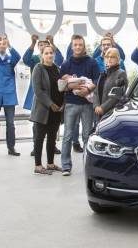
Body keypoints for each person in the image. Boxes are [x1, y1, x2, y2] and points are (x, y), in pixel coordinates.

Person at [59, 34, 100, 176]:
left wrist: (87, 89)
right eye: (75, 45)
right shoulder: (66, 64)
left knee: (87, 136)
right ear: (72, 46)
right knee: (68, 136)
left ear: (84, 46)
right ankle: (65, 166)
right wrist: (73, 85)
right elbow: (61, 85)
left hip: (87, 105)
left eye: (80, 45)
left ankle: (88, 166)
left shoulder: (92, 62)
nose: (77, 47)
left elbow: (96, 80)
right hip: (71, 103)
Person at [22, 34, 63, 156]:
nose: (42, 46)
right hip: (38, 96)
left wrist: (53, 43)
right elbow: (25, 59)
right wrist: (32, 43)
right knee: (38, 123)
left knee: (52, 124)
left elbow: (60, 59)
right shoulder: (35, 59)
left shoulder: (54, 63)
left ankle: (52, 145)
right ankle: (36, 147)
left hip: (53, 96)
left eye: (46, 44)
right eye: (40, 44)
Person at [29, 45, 64, 175]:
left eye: (51, 53)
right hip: (43, 110)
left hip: (56, 110)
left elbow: (61, 87)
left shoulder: (57, 69)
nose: (49, 55)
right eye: (46, 53)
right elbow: (38, 91)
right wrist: (50, 104)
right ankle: (38, 166)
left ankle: (50, 164)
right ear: (42, 55)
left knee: (52, 139)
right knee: (39, 138)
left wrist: (62, 104)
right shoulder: (38, 68)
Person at [94, 48, 129, 123]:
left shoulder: (121, 74)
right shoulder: (103, 74)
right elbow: (96, 92)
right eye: (107, 57)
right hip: (99, 114)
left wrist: (102, 108)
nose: (109, 59)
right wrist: (96, 106)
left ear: (118, 59)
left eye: (112, 57)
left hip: (113, 115)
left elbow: (117, 96)